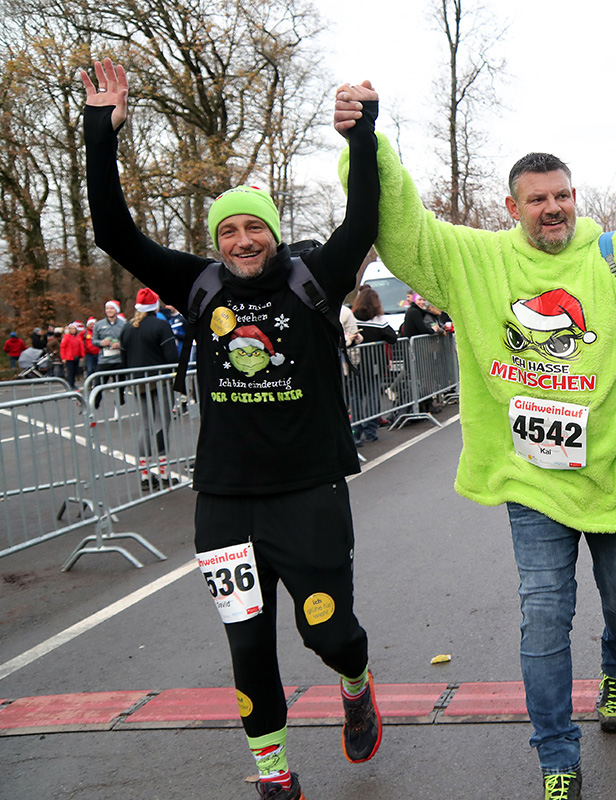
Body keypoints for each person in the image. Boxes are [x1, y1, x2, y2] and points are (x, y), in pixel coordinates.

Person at [335, 84, 616, 800]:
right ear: (512, 208)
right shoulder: (478, 263)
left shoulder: (615, 253)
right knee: (542, 612)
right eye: (536, 199)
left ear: (573, 196)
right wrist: (365, 142)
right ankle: (557, 756)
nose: (552, 208)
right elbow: (404, 230)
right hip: (529, 480)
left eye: (561, 195)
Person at [82, 57, 382, 800]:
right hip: (224, 503)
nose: (243, 240)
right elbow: (113, 231)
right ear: (216, 240)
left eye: (255, 228)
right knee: (248, 647)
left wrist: (362, 136)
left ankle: (356, 680)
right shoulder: (200, 284)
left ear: (274, 233)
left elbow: (366, 216)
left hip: (308, 493)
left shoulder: (315, 277)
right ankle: (274, 775)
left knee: (329, 632)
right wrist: (101, 132)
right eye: (230, 230)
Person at [120, 288, 179, 488]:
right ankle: (163, 473)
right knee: (162, 423)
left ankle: (145, 476)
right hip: (160, 379)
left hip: (137, 381)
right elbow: (172, 357)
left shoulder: (127, 328)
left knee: (145, 425)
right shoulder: (160, 325)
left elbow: (123, 359)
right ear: (155, 305)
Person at [349, 284, 397, 444]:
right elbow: (393, 338)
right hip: (374, 364)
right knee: (371, 395)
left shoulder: (353, 317)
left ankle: (356, 429)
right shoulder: (379, 320)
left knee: (355, 396)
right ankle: (370, 430)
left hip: (355, 363)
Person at [93, 298, 128, 416]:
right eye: (107, 308)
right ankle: (93, 409)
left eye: (111, 308)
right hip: (104, 360)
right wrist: (100, 343)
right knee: (98, 385)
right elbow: (94, 341)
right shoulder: (98, 325)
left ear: (116, 310)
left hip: (119, 360)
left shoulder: (124, 324)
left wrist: (120, 345)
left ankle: (117, 409)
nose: (109, 310)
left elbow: (128, 340)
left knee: (120, 387)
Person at [60, 322, 85, 387]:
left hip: (76, 356)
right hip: (69, 357)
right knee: (70, 371)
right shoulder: (66, 337)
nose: (72, 330)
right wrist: (63, 357)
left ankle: (73, 383)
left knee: (75, 371)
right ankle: (70, 385)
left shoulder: (78, 337)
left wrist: (81, 355)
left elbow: (81, 346)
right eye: (70, 329)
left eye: (73, 328)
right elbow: (62, 347)